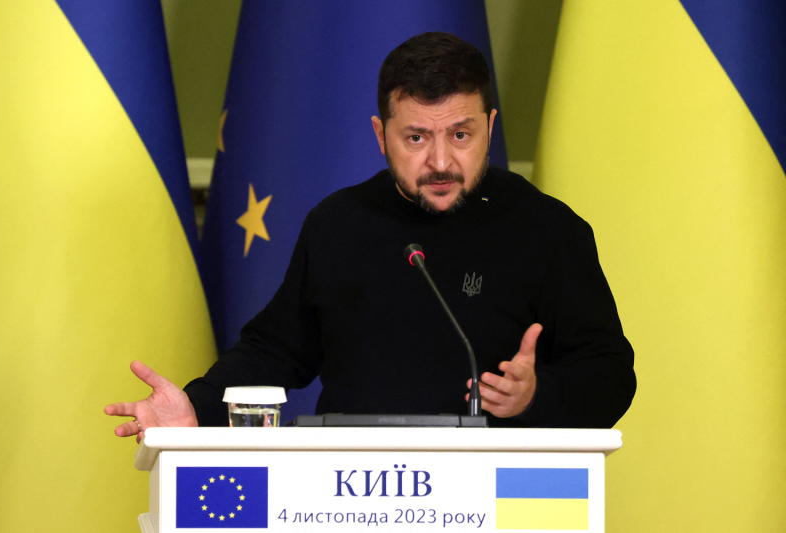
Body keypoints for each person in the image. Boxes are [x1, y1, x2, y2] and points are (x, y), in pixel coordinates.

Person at [106, 32, 636, 441]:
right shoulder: (339, 223)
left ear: (490, 129)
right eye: (416, 137)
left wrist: (537, 395)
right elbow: (276, 350)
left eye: (461, 134)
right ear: (381, 135)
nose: (441, 161)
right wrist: (196, 407)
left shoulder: (548, 229)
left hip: (499, 497)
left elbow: (611, 373)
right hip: (349, 493)